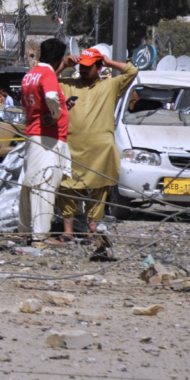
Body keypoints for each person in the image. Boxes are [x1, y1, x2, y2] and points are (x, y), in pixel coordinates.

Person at [56, 47, 138, 239]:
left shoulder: (110, 86)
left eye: (89, 66)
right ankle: (67, 232)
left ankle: (91, 232)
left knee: (98, 191)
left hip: (99, 150)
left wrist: (108, 61)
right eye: (81, 66)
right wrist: (63, 65)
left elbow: (132, 71)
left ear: (99, 67)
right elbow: (44, 80)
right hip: (71, 146)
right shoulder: (68, 84)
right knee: (67, 188)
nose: (83, 70)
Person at [17, 38, 73, 242]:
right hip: (47, 138)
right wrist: (56, 113)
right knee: (46, 184)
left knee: (32, 182)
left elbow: (26, 103)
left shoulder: (30, 75)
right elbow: (50, 96)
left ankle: (25, 230)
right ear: (59, 59)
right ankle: (40, 235)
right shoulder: (48, 73)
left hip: (35, 134)